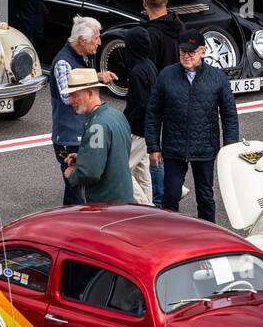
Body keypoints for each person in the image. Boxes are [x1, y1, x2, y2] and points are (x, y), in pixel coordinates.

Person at [145, 28, 239, 222]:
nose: (186, 56)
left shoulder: (217, 77)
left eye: (191, 52)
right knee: (170, 197)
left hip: (205, 148)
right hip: (173, 148)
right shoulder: (166, 75)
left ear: (203, 52)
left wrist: (230, 148)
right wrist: (153, 147)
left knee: (205, 197)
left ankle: (209, 238)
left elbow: (229, 115)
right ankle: (171, 238)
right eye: (183, 52)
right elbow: (153, 112)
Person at [51, 17, 116, 205]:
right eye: (96, 38)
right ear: (82, 40)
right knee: (76, 191)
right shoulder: (63, 62)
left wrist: (95, 77)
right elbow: (67, 97)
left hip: (82, 133)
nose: (100, 42)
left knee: (82, 190)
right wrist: (94, 80)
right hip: (69, 138)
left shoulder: (85, 56)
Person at [62, 69, 135, 204]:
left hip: (104, 205)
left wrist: (72, 174)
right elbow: (115, 154)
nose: (70, 100)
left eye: (74, 95)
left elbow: (90, 172)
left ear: (89, 93)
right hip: (123, 199)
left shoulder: (96, 125)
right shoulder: (117, 115)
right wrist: (84, 158)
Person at [123, 26, 159, 205]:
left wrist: (125, 119)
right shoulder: (149, 64)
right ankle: (149, 211)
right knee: (142, 171)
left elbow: (141, 104)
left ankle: (146, 206)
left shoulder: (137, 71)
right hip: (149, 130)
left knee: (121, 168)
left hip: (137, 129)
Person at [142, 0, 182, 71]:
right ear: (166, 0)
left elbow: (150, 70)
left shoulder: (151, 34)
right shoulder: (180, 25)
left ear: (144, 3)